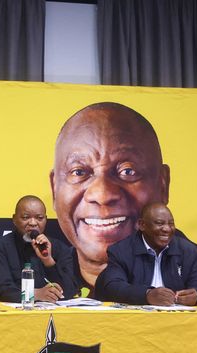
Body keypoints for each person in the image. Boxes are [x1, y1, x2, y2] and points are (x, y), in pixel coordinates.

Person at [50, 102, 171, 291]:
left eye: (128, 171)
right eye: (79, 172)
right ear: (54, 188)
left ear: (163, 184)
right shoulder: (46, 265)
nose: (102, 195)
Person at [95, 203, 197, 306]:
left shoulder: (186, 250)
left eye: (171, 224)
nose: (167, 229)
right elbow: (113, 287)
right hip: (133, 320)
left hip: (177, 319)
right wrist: (147, 295)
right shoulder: (120, 251)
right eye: (159, 223)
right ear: (142, 225)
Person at [0, 195, 78, 303]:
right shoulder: (0, 247)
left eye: (39, 218)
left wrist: (48, 261)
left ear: (45, 220)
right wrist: (34, 294)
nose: (33, 223)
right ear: (14, 220)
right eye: (25, 217)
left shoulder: (59, 248)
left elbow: (70, 291)